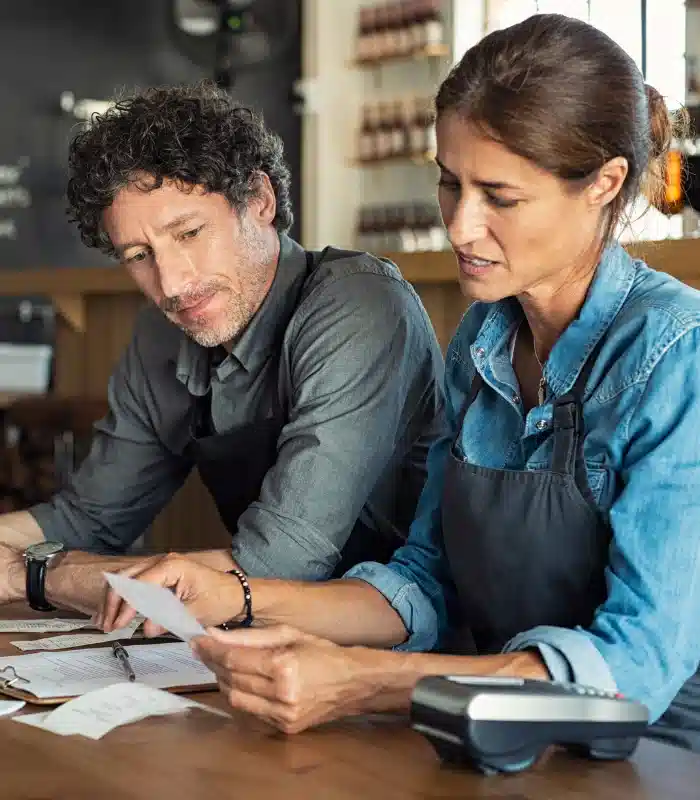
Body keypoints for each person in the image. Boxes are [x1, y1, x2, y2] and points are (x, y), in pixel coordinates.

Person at [99, 14, 700, 749]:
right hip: (485, 726)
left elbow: (637, 668)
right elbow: (425, 581)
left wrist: (364, 681)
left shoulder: (678, 354)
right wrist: (235, 596)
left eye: (500, 198)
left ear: (604, 184)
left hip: (657, 749)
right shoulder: (483, 339)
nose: (460, 225)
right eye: (450, 184)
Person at [0, 83, 445, 615]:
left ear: (258, 200)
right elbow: (90, 517)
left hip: (413, 643)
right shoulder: (162, 335)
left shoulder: (360, 304)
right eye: (139, 254)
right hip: (263, 639)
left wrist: (47, 576)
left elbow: (281, 561)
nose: (171, 282)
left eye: (188, 233)